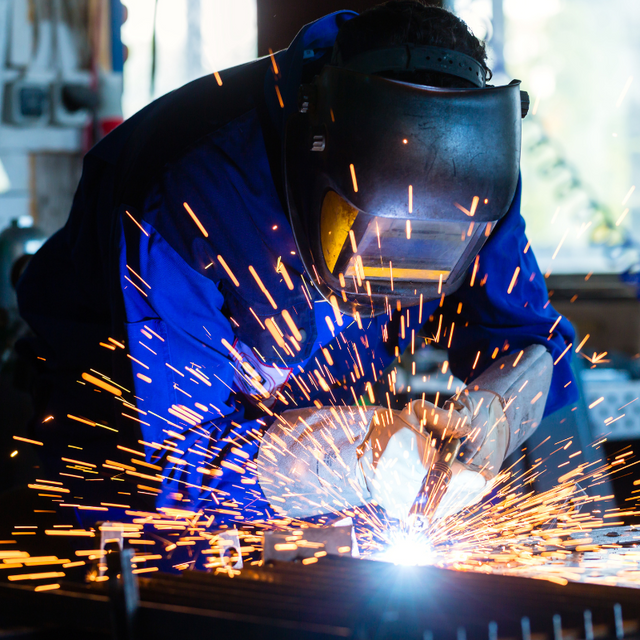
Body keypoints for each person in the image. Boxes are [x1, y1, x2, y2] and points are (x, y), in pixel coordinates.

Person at [16, 1, 576, 528]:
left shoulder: (476, 180)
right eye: (379, 238)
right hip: (113, 440)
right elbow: (180, 466)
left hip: (319, 437)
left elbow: (527, 339)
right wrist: (357, 456)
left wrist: (495, 414)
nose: (395, 276)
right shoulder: (194, 198)